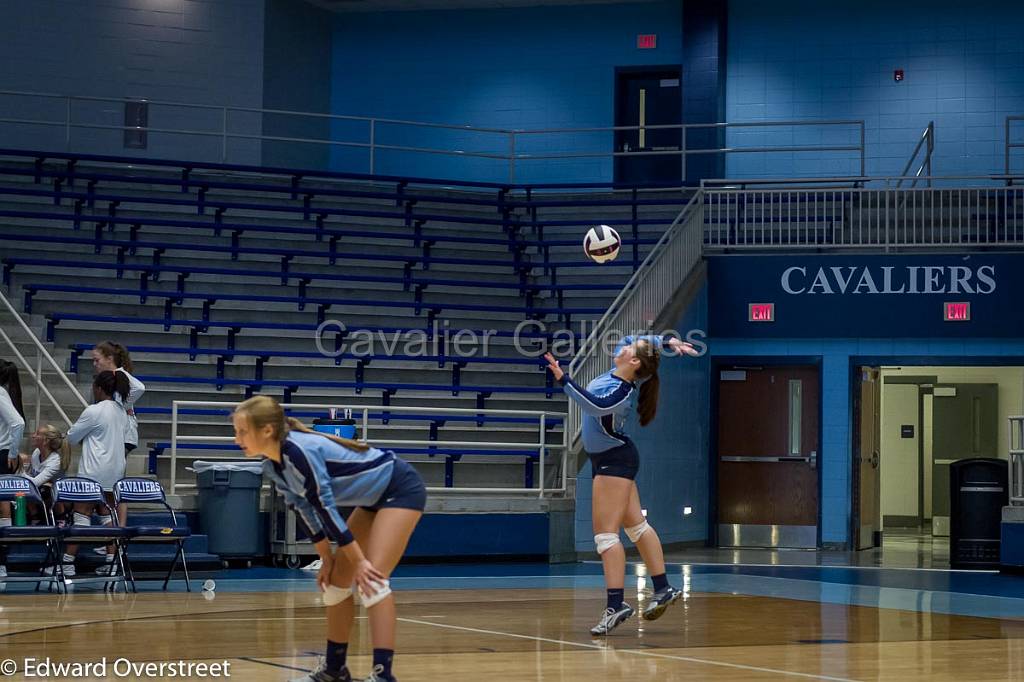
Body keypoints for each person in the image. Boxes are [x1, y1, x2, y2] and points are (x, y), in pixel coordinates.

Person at [232, 395, 426, 682]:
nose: (237, 439)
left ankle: (384, 675)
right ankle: (335, 671)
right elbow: (305, 510)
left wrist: (359, 561)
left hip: (400, 488)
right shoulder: (272, 466)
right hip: (372, 499)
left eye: (242, 431)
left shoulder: (300, 453)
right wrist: (326, 560)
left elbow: (326, 509)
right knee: (335, 584)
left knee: (373, 580)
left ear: (267, 431)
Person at [544, 334, 699, 636]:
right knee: (637, 528)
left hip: (614, 462)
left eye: (628, 349)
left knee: (605, 537)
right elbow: (633, 337)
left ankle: (616, 605)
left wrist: (565, 379)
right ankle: (663, 587)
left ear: (634, 362)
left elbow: (593, 406)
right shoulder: (621, 368)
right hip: (616, 459)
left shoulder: (620, 392)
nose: (622, 346)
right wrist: (668, 341)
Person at [50, 371, 130, 577]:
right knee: (107, 516)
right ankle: (112, 563)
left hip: (93, 473)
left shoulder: (93, 411)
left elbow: (73, 437)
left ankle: (67, 564)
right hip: (115, 473)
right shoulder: (122, 412)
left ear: (99, 388)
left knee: (81, 516)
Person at [91, 342, 144, 557]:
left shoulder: (119, 374)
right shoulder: (107, 380)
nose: (94, 364)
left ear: (110, 358)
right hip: (117, 434)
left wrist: (123, 405)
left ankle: (117, 535)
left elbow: (140, 388)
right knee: (111, 486)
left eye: (97, 360)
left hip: (123, 436)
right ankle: (113, 535)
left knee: (114, 486)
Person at [0, 360, 26, 579]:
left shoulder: (0, 393)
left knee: (2, 506)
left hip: (1, 454)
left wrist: (11, 452)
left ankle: (1, 562)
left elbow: (17, 423)